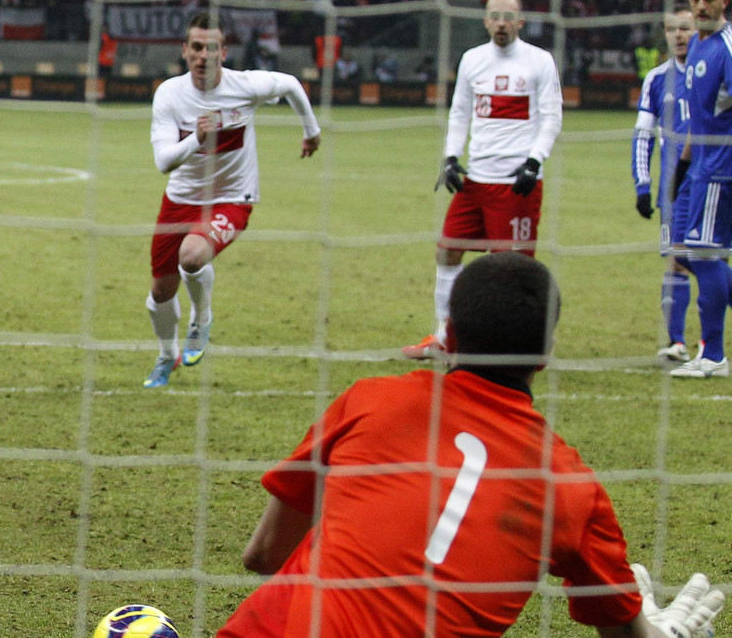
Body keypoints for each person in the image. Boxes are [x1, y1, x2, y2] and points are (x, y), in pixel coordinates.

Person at [216, 252, 725, 637]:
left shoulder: (370, 400)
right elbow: (628, 634)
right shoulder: (570, 486)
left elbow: (263, 555)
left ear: (450, 337)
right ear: (546, 354)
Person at [144, 12, 321, 388]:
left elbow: (290, 84)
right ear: (185, 51)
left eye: (211, 48)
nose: (202, 55)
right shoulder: (170, 94)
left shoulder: (245, 86)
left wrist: (312, 131)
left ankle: (201, 318)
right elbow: (163, 162)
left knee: (191, 257)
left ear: (223, 52)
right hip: (180, 198)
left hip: (232, 197)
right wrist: (196, 139)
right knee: (159, 292)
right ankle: (165, 356)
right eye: (196, 47)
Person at [403, 0, 562, 359]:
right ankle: (445, 337)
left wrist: (535, 161)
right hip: (476, 180)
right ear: (486, 21)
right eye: (495, 16)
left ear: (520, 22)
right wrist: (450, 157)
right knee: (447, 251)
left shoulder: (538, 61)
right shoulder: (472, 59)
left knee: (517, 272)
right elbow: (460, 113)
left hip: (516, 184)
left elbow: (552, 117)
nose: (502, 23)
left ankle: (535, 341)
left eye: (509, 17)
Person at [669, 0, 732, 378]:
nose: (702, 6)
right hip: (702, 168)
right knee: (687, 252)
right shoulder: (696, 44)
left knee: (702, 253)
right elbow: (699, 119)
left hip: (723, 170)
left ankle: (713, 356)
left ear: (724, 1)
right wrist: (684, 167)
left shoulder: (727, 49)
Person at [632, 9, 696, 363]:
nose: (679, 35)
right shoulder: (657, 79)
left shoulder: (718, 70)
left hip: (716, 182)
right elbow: (642, 136)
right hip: (674, 192)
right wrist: (643, 185)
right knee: (677, 261)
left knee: (710, 260)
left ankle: (710, 344)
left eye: (685, 28)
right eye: (672, 29)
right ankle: (677, 342)